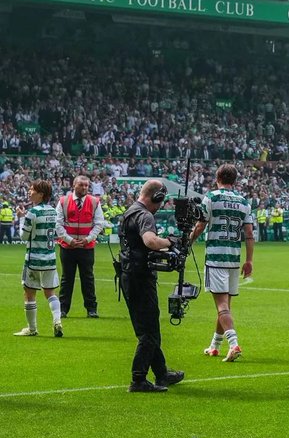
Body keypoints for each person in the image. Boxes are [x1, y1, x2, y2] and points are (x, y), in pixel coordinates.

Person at [117, 180, 185, 392]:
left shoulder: (129, 212)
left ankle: (162, 373)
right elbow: (150, 241)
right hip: (140, 278)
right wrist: (170, 242)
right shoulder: (145, 215)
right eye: (160, 201)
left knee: (147, 327)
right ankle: (138, 379)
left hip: (128, 275)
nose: (159, 206)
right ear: (155, 197)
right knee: (149, 332)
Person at [191, 164, 255, 362]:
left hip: (216, 257)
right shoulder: (244, 201)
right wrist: (249, 260)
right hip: (234, 258)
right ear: (234, 180)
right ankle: (214, 346)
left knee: (221, 307)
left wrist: (189, 242)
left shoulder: (211, 197)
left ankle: (234, 344)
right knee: (225, 306)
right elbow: (250, 234)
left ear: (217, 177)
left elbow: (201, 224)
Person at [13, 180, 64, 338]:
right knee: (50, 293)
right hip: (50, 260)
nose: (29, 191)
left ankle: (32, 329)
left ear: (41, 194)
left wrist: (21, 218)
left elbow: (23, 237)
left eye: (32, 189)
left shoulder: (32, 212)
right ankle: (57, 321)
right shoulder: (53, 212)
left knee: (29, 294)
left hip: (34, 259)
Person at [55, 175, 106, 318]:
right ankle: (63, 309)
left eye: (86, 185)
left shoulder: (95, 202)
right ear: (74, 185)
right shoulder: (63, 201)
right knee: (67, 278)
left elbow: (99, 223)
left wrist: (88, 238)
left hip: (86, 247)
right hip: (68, 247)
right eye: (81, 185)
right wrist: (69, 240)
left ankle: (91, 309)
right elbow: (58, 223)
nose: (84, 188)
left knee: (88, 278)